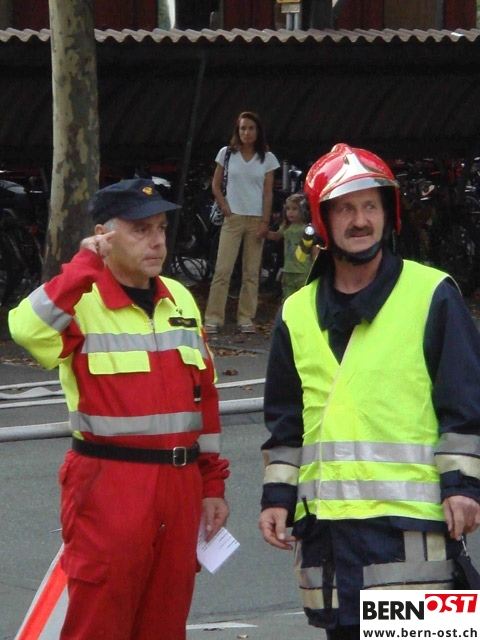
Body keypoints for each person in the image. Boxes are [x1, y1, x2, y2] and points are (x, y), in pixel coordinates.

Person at [258, 143, 480, 639]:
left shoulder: (433, 294)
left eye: (370, 206)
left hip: (414, 541)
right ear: (322, 220)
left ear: (388, 214)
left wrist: (463, 489)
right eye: (345, 209)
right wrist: (277, 497)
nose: (360, 221)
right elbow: (286, 424)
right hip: (330, 544)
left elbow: (466, 406)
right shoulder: (296, 312)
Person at [8, 178, 230, 640]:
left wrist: (211, 484)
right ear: (104, 236)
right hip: (109, 486)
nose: (157, 241)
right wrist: (83, 266)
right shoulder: (80, 299)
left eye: (161, 228)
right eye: (140, 230)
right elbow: (26, 330)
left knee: (165, 624)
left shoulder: (179, 297)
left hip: (181, 486)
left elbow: (204, 397)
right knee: (99, 623)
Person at [204, 111, 280, 334]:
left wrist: (265, 220)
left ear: (258, 131)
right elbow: (215, 184)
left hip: (256, 219)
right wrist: (225, 207)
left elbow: (268, 192)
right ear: (237, 131)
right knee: (223, 269)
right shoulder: (227, 154)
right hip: (233, 218)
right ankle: (213, 318)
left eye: (251, 128)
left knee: (251, 272)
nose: (247, 132)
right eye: (243, 128)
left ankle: (245, 317)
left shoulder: (267, 158)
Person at [265, 193, 315, 300]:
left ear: (303, 210)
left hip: (304, 271)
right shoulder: (286, 227)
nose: (290, 212)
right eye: (288, 209)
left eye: (294, 209)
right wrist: (264, 232)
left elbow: (313, 249)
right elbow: (276, 236)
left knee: (303, 298)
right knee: (288, 298)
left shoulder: (307, 229)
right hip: (288, 270)